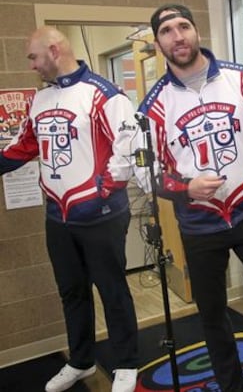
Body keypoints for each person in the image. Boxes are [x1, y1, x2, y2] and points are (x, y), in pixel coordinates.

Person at [137, 3, 243, 392]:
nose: (177, 36)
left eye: (183, 26)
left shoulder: (242, 80)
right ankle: (232, 386)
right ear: (159, 42)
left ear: (196, 32)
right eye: (166, 31)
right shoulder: (153, 107)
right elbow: (147, 174)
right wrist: (186, 189)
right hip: (199, 225)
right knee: (212, 314)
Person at [0, 27, 140, 392]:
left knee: (112, 290)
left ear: (54, 49)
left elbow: (126, 153)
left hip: (101, 214)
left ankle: (127, 363)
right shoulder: (40, 100)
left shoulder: (105, 94)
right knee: (71, 291)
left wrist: (99, 194)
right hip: (57, 216)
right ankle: (80, 360)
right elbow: (23, 146)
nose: (31, 65)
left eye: (33, 57)